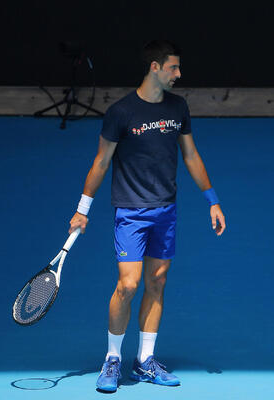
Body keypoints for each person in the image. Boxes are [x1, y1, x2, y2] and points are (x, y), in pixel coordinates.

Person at [68, 40, 226, 392]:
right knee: (128, 285)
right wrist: (82, 210)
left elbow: (191, 156)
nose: (179, 74)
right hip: (130, 212)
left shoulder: (178, 107)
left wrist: (212, 200)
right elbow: (101, 161)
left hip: (165, 210)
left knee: (158, 282)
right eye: (173, 67)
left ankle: (144, 361)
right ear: (154, 67)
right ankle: (112, 360)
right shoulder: (121, 112)